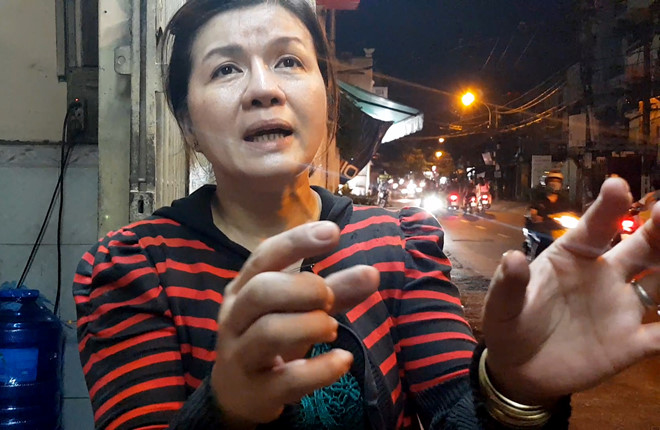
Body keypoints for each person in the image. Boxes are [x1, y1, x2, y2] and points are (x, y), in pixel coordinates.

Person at [73, 1, 660, 429]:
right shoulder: (133, 268)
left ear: (326, 97)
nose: (263, 90)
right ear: (186, 122)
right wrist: (223, 408)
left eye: (288, 61)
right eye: (225, 69)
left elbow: (456, 413)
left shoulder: (398, 243)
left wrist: (514, 388)